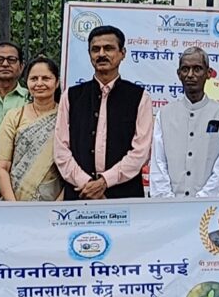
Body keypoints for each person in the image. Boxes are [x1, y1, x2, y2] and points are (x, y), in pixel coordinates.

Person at [54, 26, 152, 200]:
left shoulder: (139, 97)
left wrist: (105, 181)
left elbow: (141, 151)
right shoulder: (71, 95)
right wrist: (86, 183)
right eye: (95, 49)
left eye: (108, 48)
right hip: (80, 193)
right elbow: (61, 150)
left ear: (122, 53)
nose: (101, 54)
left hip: (124, 195)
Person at [147, 48, 219, 199]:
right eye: (185, 69)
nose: (190, 75)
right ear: (178, 74)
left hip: (208, 207)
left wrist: (200, 201)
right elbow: (158, 163)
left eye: (197, 69)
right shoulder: (164, 114)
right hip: (169, 207)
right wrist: (168, 201)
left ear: (208, 73)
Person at [0, 59, 66, 202]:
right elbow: (2, 166)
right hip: (15, 201)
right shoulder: (14, 116)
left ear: (57, 82)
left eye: (46, 78)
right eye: (34, 79)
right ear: (27, 83)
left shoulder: (67, 117)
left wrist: (58, 206)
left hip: (55, 202)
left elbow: (72, 168)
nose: (39, 83)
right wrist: (14, 207)